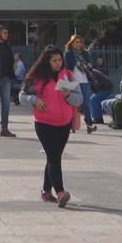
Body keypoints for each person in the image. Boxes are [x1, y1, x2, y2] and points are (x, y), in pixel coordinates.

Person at [17, 45, 82, 208]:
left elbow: (79, 99)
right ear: (47, 61)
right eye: (54, 60)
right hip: (44, 123)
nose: (58, 63)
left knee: (54, 157)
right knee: (53, 157)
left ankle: (46, 191)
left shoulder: (68, 76)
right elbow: (21, 96)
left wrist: (69, 95)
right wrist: (34, 100)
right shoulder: (36, 77)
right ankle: (60, 192)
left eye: (60, 60)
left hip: (64, 124)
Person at [63, 34, 96, 133]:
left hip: (84, 81)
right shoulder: (68, 54)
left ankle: (89, 124)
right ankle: (71, 125)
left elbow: (90, 66)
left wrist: (89, 65)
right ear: (72, 43)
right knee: (72, 103)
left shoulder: (85, 54)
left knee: (86, 103)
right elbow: (66, 68)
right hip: (73, 81)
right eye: (76, 42)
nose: (78, 44)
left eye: (80, 42)